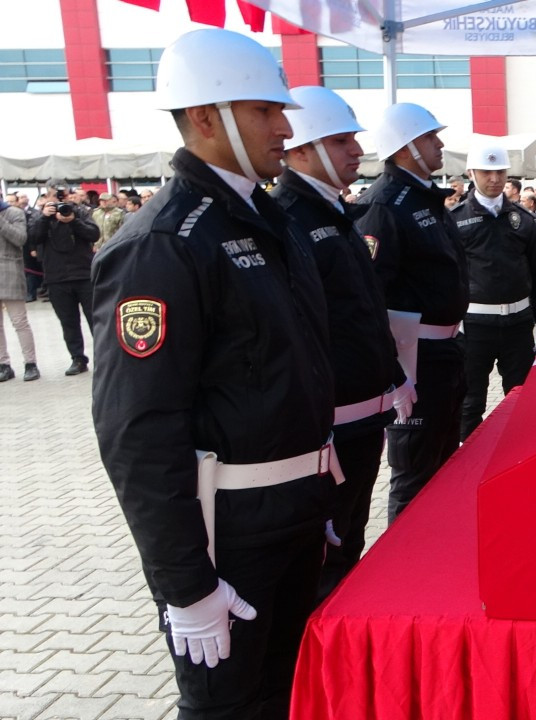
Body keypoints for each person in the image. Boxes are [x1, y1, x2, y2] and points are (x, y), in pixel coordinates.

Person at [91, 29, 337, 719]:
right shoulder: (164, 244)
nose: (286, 128)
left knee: (289, 696)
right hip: (227, 536)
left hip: (290, 515)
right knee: (229, 707)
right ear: (206, 117)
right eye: (266, 111)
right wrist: (186, 586)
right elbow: (138, 432)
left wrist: (309, 499)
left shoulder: (268, 217)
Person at [270, 86, 410, 602]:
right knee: (324, 560)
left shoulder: (334, 213)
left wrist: (393, 374)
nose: (356, 149)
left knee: (346, 544)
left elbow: (361, 310)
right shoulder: (288, 219)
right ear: (300, 149)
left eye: (352, 138)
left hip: (362, 416)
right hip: (328, 429)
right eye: (338, 140)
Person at [356, 102, 468, 523]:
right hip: (414, 361)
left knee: (443, 466)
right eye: (428, 137)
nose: (439, 144)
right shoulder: (385, 205)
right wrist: (394, 373)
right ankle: (403, 574)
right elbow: (370, 297)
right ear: (405, 147)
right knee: (414, 475)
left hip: (444, 354)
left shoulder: (424, 198)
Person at [451, 144, 536, 439]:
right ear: (472, 173)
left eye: (500, 172)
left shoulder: (523, 218)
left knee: (520, 398)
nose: (494, 178)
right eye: (486, 172)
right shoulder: (455, 219)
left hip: (519, 324)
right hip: (474, 327)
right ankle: (467, 472)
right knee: (470, 403)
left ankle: (514, 461)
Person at [31, 184, 99, 375]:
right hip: (56, 277)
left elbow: (94, 234)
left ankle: (105, 358)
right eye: (55, 195)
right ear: (48, 196)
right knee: (68, 323)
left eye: (64, 195)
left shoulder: (80, 213)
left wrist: (73, 220)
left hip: (84, 275)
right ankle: (77, 359)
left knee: (96, 320)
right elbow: (33, 237)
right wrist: (45, 217)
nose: (60, 199)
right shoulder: (42, 216)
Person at [0, 194, 37, 382]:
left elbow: (20, 238)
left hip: (9, 273)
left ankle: (30, 363)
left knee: (19, 322)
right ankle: (3, 364)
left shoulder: (14, 213)